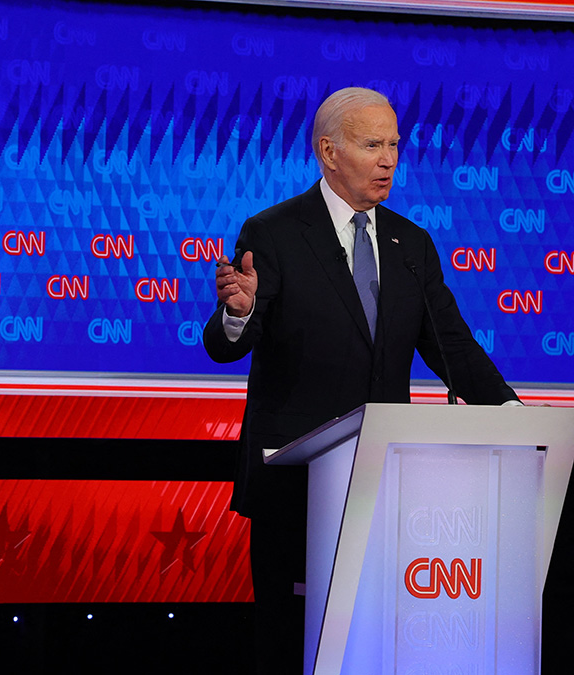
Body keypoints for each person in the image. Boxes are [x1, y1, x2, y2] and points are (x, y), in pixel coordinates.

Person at [203, 87, 519, 673]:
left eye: (394, 144)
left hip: (384, 486)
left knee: (372, 645)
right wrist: (239, 311)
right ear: (328, 152)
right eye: (372, 144)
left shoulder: (411, 244)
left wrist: (512, 414)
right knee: (290, 644)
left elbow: (450, 346)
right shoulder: (272, 233)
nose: (389, 159)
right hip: (295, 488)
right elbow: (227, 345)